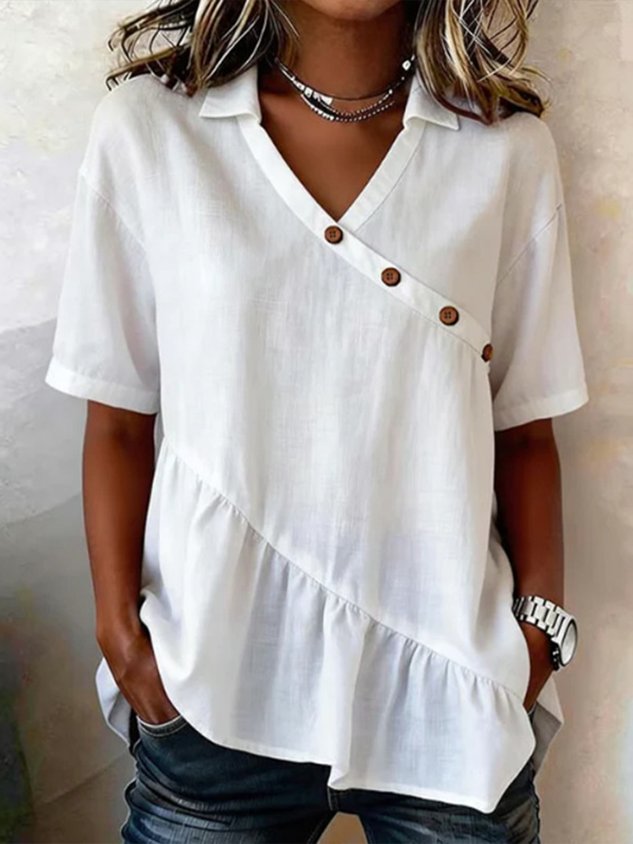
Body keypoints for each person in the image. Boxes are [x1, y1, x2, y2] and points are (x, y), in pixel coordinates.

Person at [44, 0, 590, 841]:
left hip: (451, 696)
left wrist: (536, 640)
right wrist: (123, 642)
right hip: (212, 692)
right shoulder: (152, 132)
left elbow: (523, 427)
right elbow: (117, 418)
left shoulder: (505, 150)